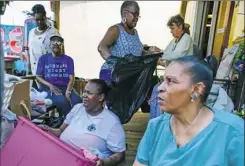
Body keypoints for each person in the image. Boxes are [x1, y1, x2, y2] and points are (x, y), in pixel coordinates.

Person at [134, 56, 244, 166]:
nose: (160, 88)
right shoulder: (156, 126)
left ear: (196, 89)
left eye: (170, 81)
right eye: (163, 81)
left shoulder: (233, 131)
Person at [39, 79, 126, 166]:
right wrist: (48, 129)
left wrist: (103, 163)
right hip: (61, 157)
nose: (84, 95)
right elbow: (60, 131)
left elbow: (119, 155)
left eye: (89, 93)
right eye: (84, 92)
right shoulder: (77, 108)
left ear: (101, 97)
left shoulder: (112, 122)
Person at [97, 0, 160, 82]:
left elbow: (138, 52)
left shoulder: (135, 32)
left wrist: (154, 55)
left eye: (138, 15)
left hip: (128, 75)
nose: (136, 18)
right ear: (124, 13)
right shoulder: (115, 30)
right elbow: (102, 47)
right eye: (134, 14)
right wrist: (116, 61)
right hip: (112, 74)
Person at [36, 34, 82, 116]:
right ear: (50, 45)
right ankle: (65, 123)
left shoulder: (68, 59)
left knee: (78, 101)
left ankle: (74, 122)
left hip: (65, 87)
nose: (56, 44)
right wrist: (50, 85)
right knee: (62, 101)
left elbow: (71, 79)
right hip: (48, 88)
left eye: (59, 42)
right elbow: (38, 77)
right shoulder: (43, 58)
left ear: (62, 45)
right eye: (53, 42)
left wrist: (68, 92)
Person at [28, 4, 60, 75]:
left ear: (45, 17)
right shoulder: (31, 33)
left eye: (42, 19)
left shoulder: (53, 32)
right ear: (34, 19)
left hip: (51, 72)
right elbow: (30, 52)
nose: (39, 22)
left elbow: (60, 53)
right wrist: (29, 68)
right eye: (37, 20)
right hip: (36, 72)